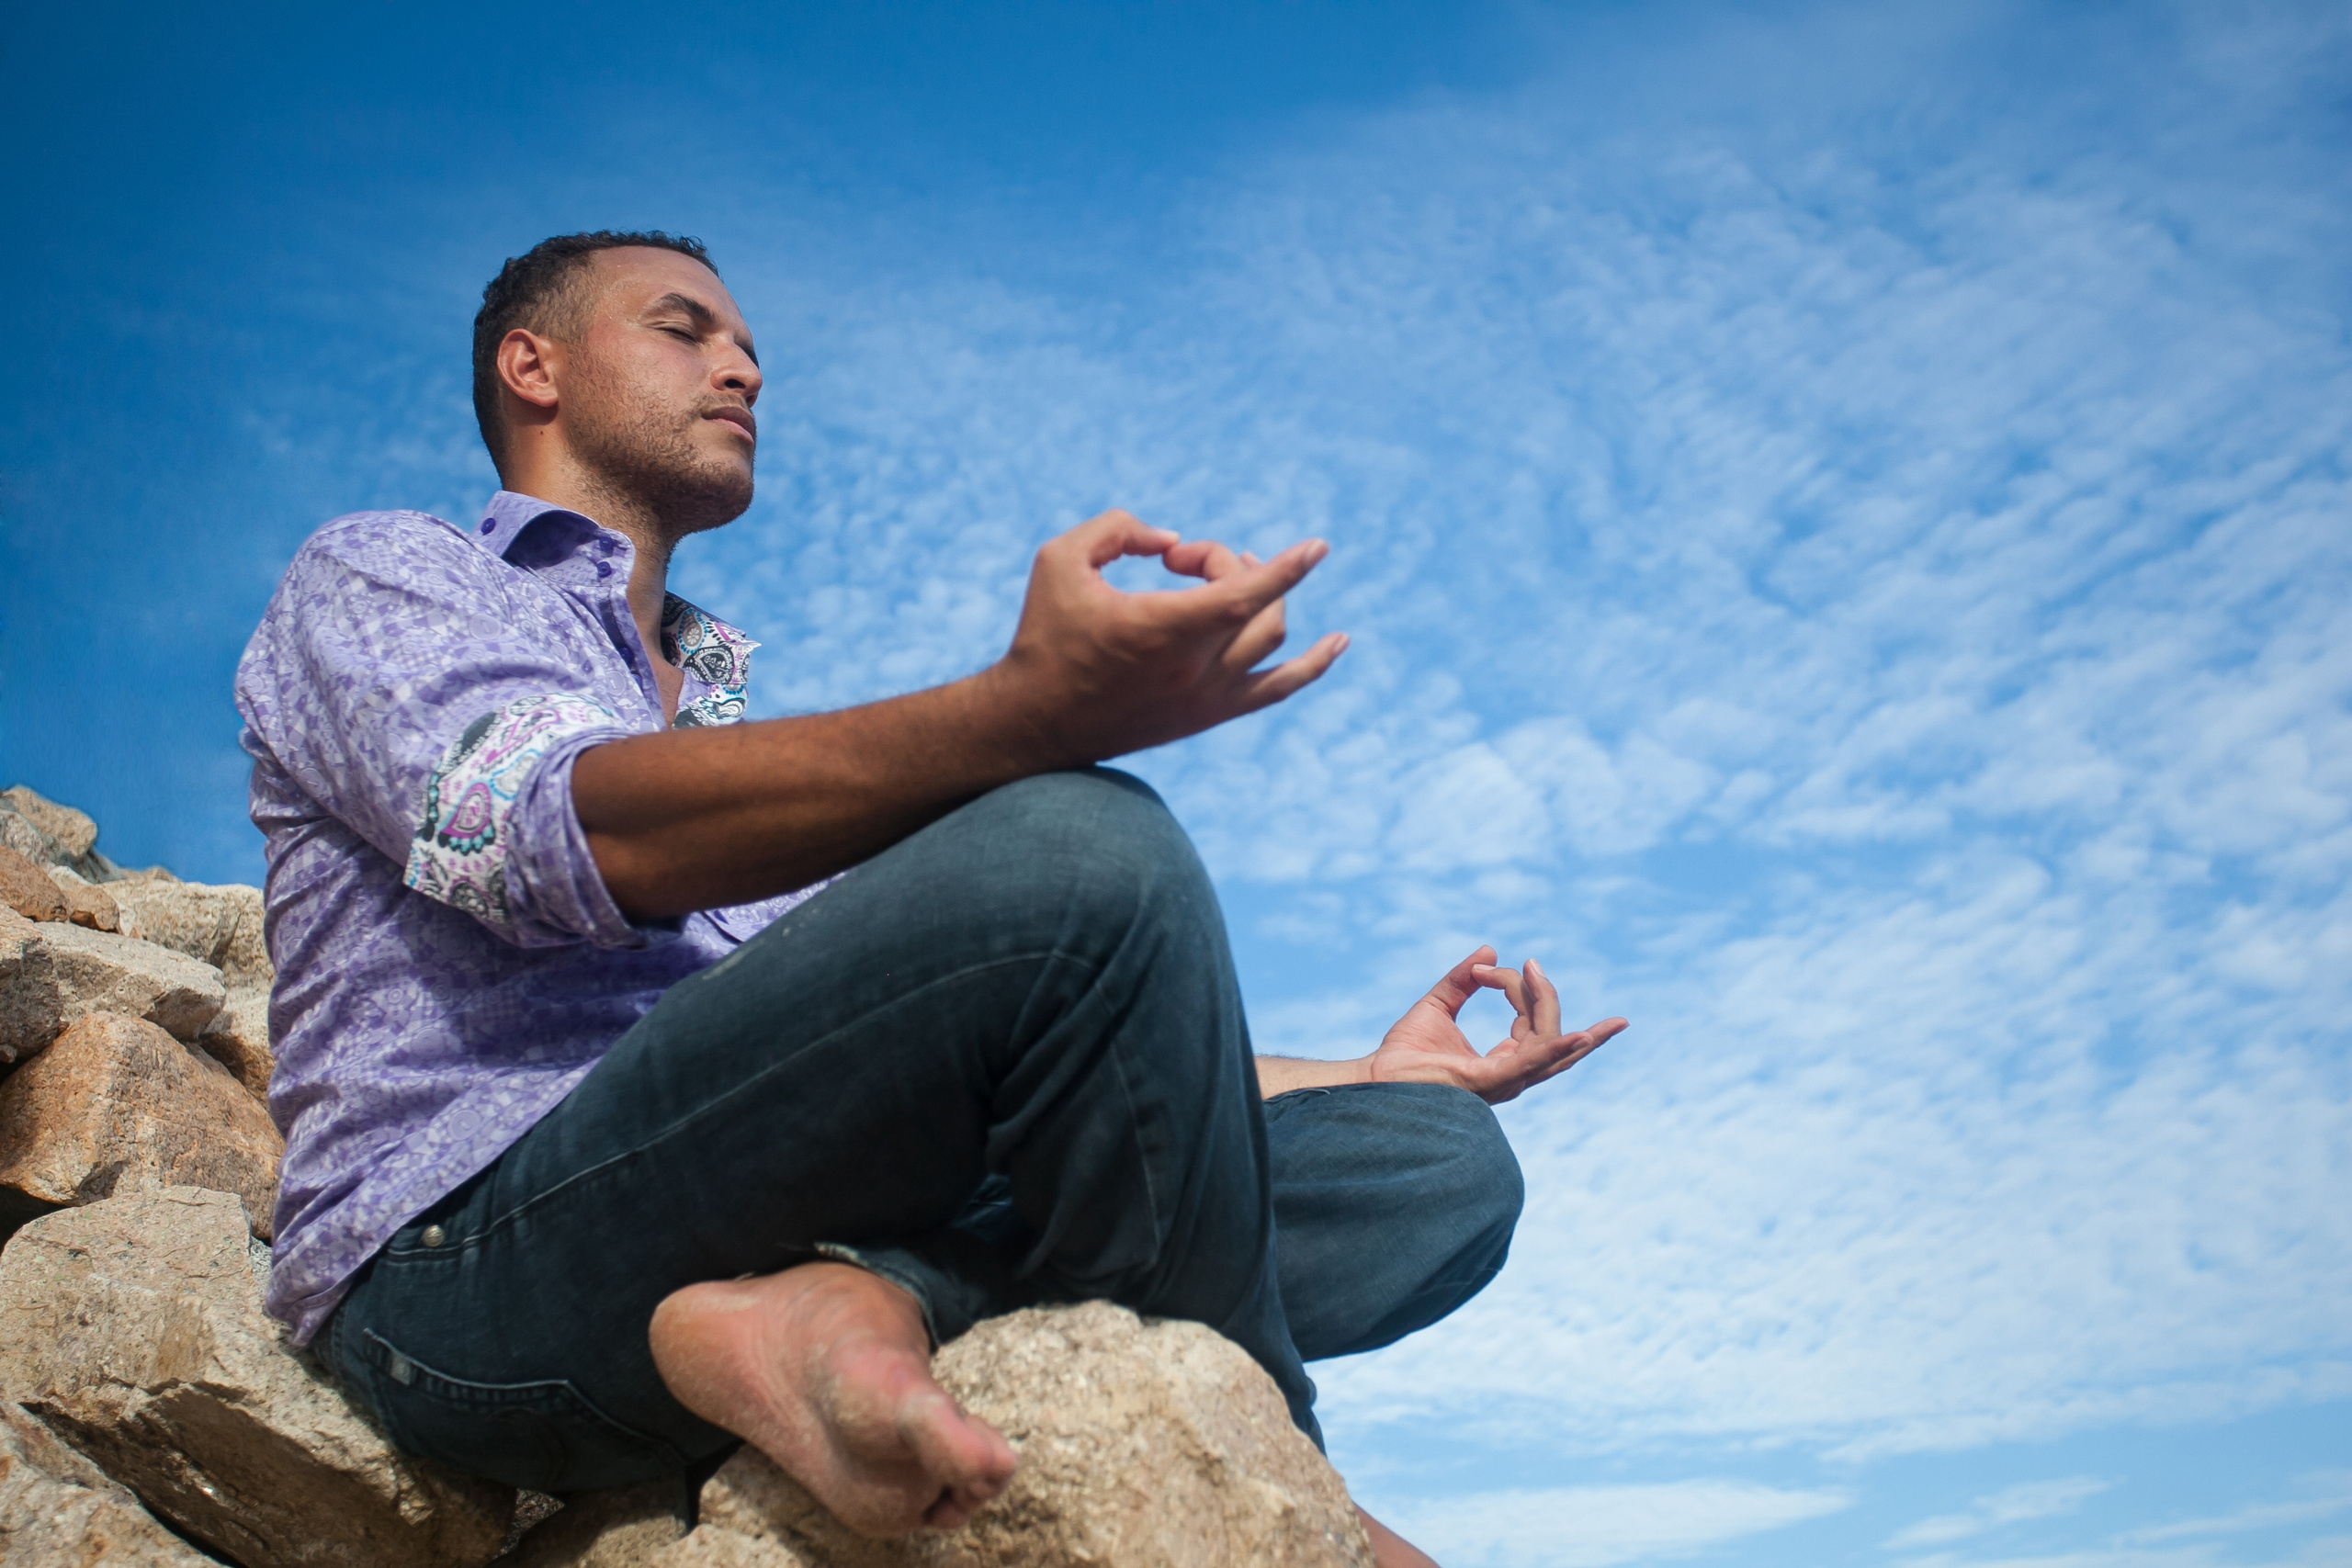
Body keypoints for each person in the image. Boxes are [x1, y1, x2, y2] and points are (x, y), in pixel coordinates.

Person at [234, 230, 1626, 1568]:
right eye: (684, 329)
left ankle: (864, 1302)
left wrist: (1368, 1075)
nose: (744, 367)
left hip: (766, 1220)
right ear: (532, 367)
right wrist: (1016, 716)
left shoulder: (742, 755)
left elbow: (1068, 1033)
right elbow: (567, 830)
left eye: (750, 346)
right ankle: (1271, 1488)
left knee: (1430, 1168)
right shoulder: (386, 576)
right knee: (1080, 846)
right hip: (476, 1270)